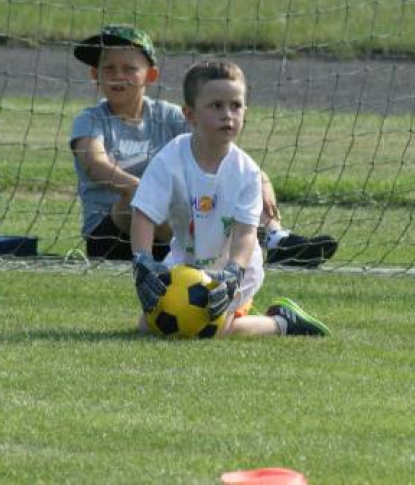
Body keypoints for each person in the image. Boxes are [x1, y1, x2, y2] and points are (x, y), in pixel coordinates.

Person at [69, 25, 338, 266]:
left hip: (172, 235)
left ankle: (278, 240)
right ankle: (207, 250)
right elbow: (96, 165)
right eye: (109, 68)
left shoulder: (169, 115)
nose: (118, 76)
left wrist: (260, 180)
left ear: (150, 75)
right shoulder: (91, 120)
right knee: (136, 202)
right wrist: (143, 191)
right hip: (111, 236)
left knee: (225, 182)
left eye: (129, 69)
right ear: (95, 74)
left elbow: (220, 146)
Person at [130, 59, 330, 337]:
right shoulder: (169, 159)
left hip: (236, 270)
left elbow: (246, 233)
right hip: (183, 264)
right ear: (190, 115)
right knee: (147, 327)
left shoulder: (247, 172)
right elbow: (143, 215)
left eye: (236, 106)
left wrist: (234, 272)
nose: (228, 115)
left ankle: (283, 322)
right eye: (216, 106)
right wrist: (143, 262)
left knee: (214, 330)